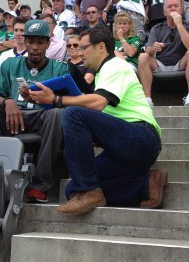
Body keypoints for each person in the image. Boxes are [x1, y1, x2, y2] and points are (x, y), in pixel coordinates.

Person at [28, 24, 167, 215]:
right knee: (72, 190)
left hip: (141, 138)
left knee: (72, 113)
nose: (81, 53)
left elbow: (98, 102)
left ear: (101, 46)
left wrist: (55, 99)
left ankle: (89, 191)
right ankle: (145, 185)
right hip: (123, 146)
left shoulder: (116, 65)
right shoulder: (103, 72)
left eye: (84, 47)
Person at [0, 19, 69, 203]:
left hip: (42, 118)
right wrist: (8, 102)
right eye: (31, 41)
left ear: (48, 43)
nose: (34, 47)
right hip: (11, 117)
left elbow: (68, 101)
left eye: (40, 42)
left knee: (57, 114)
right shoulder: (10, 63)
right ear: (24, 42)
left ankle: (40, 185)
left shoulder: (60, 68)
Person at [138, 0, 189, 107]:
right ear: (164, 12)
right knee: (143, 57)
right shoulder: (157, 28)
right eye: (169, 6)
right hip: (160, 65)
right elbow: (148, 51)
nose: (173, 9)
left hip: (181, 63)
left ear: (181, 9)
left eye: (176, 6)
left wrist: (179, 24)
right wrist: (153, 49)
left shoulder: (187, 26)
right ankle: (147, 99)